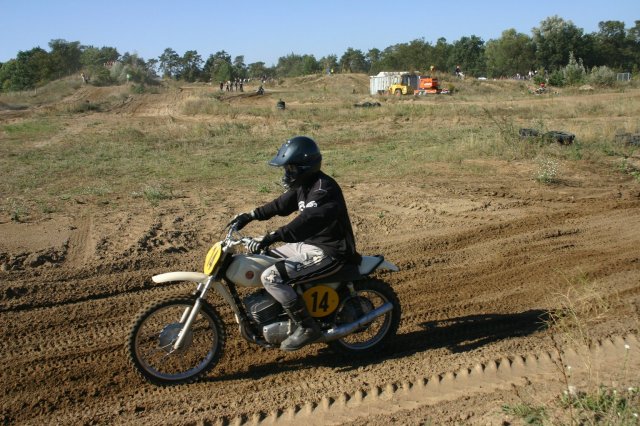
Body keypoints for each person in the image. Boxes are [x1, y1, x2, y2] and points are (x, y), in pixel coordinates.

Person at [229, 136, 360, 351]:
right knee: (262, 260)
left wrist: (273, 236)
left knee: (271, 277)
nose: (286, 173)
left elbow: (305, 221)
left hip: (330, 252)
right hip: (307, 245)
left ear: (305, 167)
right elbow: (280, 205)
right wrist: (250, 215)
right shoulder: (304, 185)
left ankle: (307, 327)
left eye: (290, 169)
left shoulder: (324, 190)